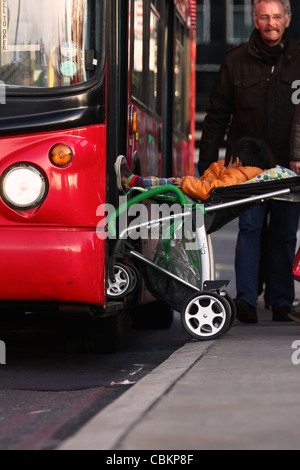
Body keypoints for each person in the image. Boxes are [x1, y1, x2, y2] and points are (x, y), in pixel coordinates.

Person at [198, 0, 300, 323]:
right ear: (255, 20)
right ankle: (246, 302)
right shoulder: (235, 61)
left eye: (276, 17)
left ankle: (281, 301)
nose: (271, 23)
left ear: (287, 19)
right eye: (264, 17)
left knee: (285, 233)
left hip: (289, 167)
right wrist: (206, 168)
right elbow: (216, 117)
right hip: (246, 168)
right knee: (250, 228)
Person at [115, 137, 270, 200]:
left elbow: (210, 190)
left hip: (192, 197)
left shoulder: (236, 176)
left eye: (229, 161)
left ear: (236, 162)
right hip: (193, 194)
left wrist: (185, 183)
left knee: (165, 184)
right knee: (166, 184)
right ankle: (134, 182)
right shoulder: (243, 175)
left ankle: (131, 181)